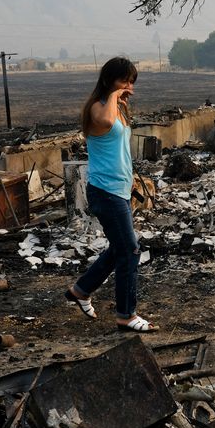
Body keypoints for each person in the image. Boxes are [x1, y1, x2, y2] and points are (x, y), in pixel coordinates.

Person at [64, 57, 158, 332]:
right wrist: (114, 95)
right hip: (104, 191)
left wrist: (129, 181)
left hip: (118, 188)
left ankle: (80, 291)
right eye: (124, 81)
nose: (129, 87)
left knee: (120, 248)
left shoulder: (119, 109)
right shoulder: (98, 108)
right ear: (108, 80)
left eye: (131, 82)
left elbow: (120, 151)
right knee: (129, 250)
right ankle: (126, 315)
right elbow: (105, 120)